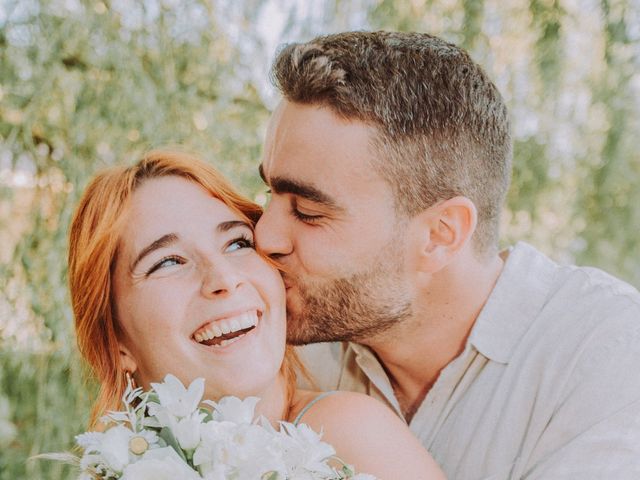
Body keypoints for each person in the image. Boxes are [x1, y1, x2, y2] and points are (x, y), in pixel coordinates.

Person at [256, 31, 640, 479]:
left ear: (440, 234)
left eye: (308, 212)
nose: (264, 237)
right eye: (268, 195)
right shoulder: (277, 347)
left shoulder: (606, 355)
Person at [67, 150, 445, 479]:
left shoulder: (347, 435)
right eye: (168, 261)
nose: (224, 279)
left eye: (237, 242)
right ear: (116, 341)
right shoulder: (117, 467)